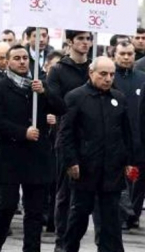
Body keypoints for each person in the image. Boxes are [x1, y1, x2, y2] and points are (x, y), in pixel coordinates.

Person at [59, 57, 138, 252]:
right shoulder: (75, 97)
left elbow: (126, 133)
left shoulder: (118, 98)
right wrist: (71, 161)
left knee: (111, 221)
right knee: (78, 218)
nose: (108, 78)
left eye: (111, 74)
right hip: (85, 168)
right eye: (103, 74)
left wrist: (129, 160)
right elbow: (66, 134)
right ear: (91, 72)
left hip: (112, 169)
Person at [0, 45, 59, 252]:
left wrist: (44, 92)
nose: (21, 61)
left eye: (25, 58)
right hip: (12, 155)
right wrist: (22, 132)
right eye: (16, 58)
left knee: (35, 211)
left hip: (37, 156)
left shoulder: (38, 86)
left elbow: (61, 107)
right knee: (7, 206)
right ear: (8, 61)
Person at [46, 30, 92, 251]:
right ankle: (61, 241)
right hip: (66, 137)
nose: (85, 43)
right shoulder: (58, 71)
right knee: (65, 195)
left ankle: (74, 239)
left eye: (88, 38)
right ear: (70, 42)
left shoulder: (95, 69)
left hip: (93, 140)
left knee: (85, 197)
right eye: (81, 39)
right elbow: (54, 101)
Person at [112, 41, 145, 229]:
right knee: (120, 178)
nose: (126, 57)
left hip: (139, 137)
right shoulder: (110, 77)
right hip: (117, 138)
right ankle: (122, 215)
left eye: (130, 54)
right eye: (122, 53)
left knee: (138, 180)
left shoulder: (142, 78)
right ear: (115, 54)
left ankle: (134, 213)